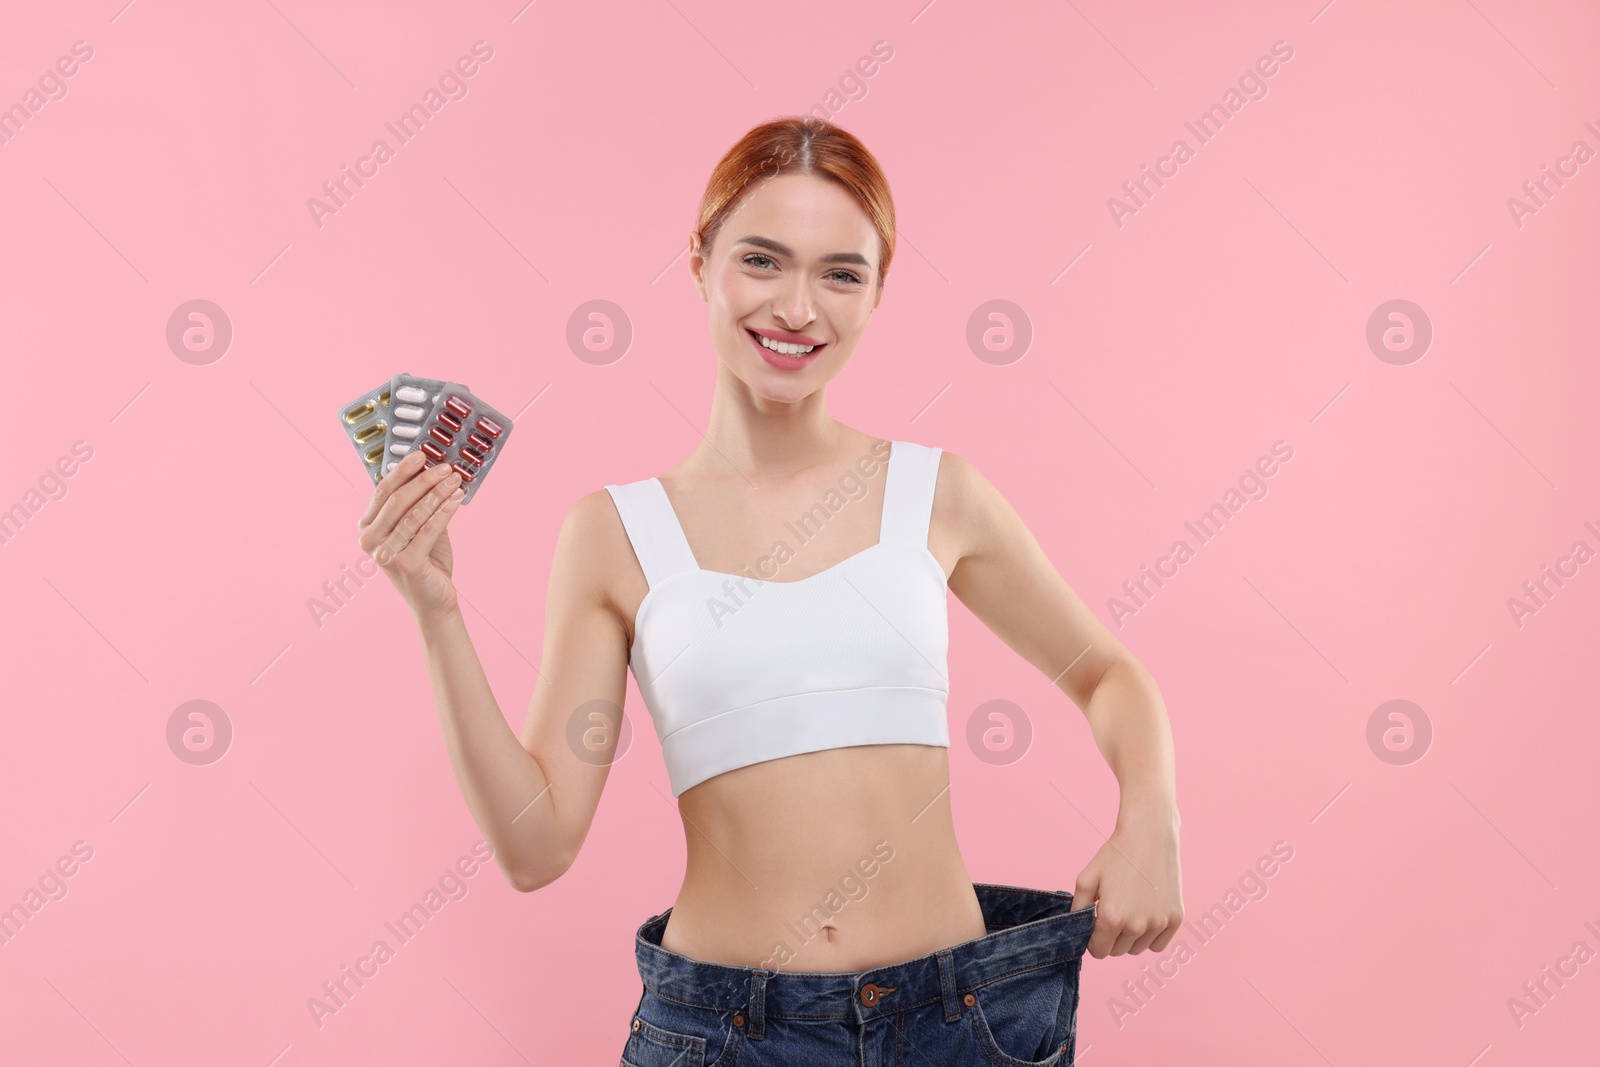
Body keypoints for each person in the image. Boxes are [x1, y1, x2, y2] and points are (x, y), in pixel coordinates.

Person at [356, 116, 1182, 1066]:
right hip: (728, 1036)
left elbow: (1108, 673)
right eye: (762, 260)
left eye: (841, 273)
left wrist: (1149, 816)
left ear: (877, 294)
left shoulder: (936, 494)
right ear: (700, 259)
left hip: (960, 1025)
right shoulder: (614, 533)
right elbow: (536, 845)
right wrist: (436, 611)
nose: (798, 307)